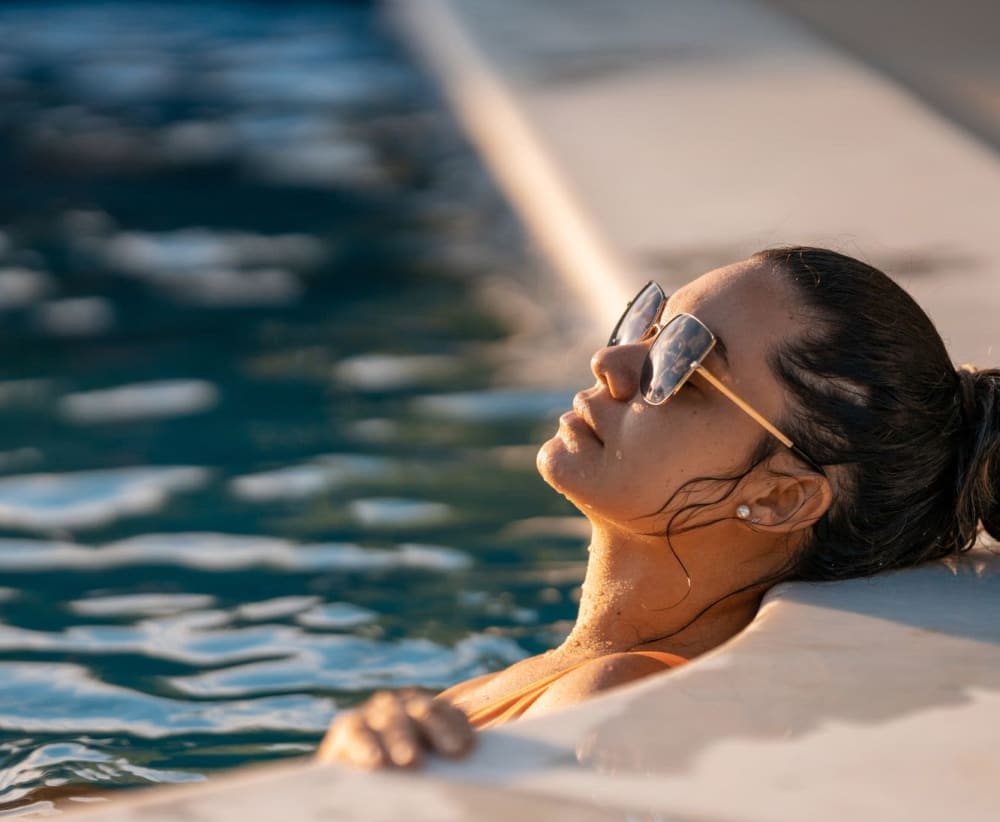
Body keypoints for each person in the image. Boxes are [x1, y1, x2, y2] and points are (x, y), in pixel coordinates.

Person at [317, 246, 1000, 770]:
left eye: (681, 366)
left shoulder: (615, 696)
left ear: (779, 496)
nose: (611, 361)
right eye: (651, 324)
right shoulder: (582, 669)